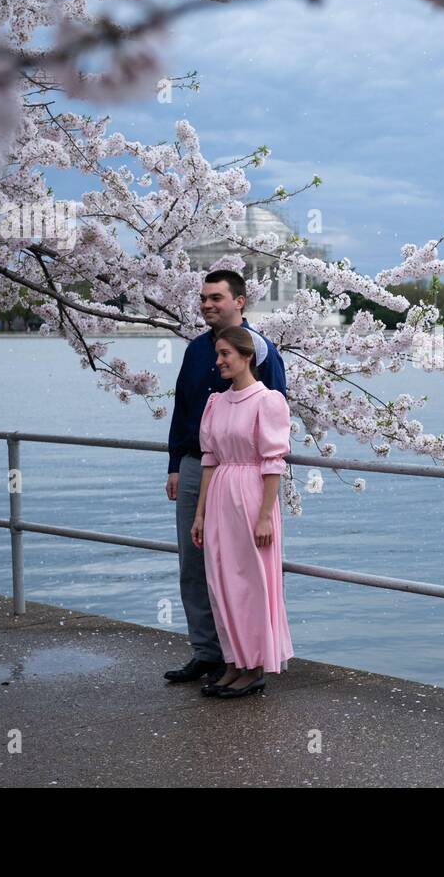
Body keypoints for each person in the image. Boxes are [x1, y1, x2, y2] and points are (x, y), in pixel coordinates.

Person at [163, 269, 288, 685]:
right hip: (200, 465)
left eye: (216, 297)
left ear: (240, 301)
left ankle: (245, 656)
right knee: (196, 564)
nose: (206, 304)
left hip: (244, 475)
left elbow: (273, 419)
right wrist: (175, 463)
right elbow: (183, 409)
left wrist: (264, 500)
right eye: (202, 298)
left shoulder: (263, 352)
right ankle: (208, 651)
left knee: (241, 568)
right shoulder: (196, 350)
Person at [191, 326, 294, 698]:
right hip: (220, 493)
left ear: (247, 356)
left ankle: (254, 666)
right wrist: (200, 514)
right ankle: (233, 661)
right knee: (221, 580)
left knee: (251, 582)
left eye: (225, 355)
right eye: (217, 354)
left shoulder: (267, 401)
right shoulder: (216, 402)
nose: (218, 362)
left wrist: (266, 514)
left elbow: (273, 462)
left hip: (252, 496)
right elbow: (209, 460)